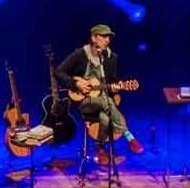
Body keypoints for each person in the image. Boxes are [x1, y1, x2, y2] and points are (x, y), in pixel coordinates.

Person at [54, 24, 144, 164]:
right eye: (103, 36)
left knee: (105, 116)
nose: (107, 39)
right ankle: (129, 136)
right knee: (106, 102)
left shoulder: (112, 57)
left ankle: (100, 149)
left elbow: (112, 82)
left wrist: (117, 87)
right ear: (93, 38)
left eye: (109, 37)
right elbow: (58, 71)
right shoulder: (80, 54)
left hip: (102, 100)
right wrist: (75, 83)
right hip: (83, 102)